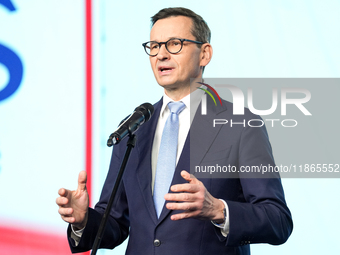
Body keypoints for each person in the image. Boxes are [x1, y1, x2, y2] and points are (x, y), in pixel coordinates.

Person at [56, 7, 293, 255]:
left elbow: (277, 220)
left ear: (205, 54)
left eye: (174, 44)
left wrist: (218, 210)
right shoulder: (134, 126)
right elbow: (114, 223)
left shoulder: (240, 125)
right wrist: (84, 220)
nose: (161, 55)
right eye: (154, 46)